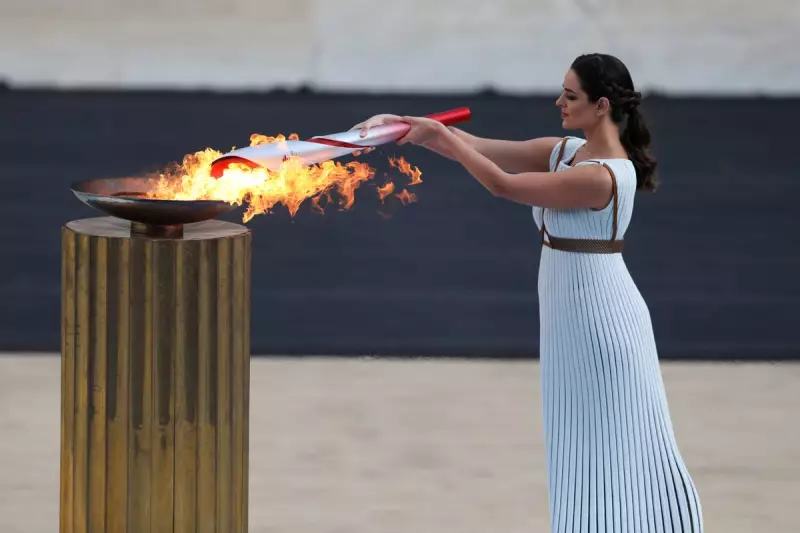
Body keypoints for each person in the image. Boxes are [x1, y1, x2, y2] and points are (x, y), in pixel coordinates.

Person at [350, 53, 703, 533]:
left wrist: (436, 133)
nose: (559, 101)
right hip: (569, 318)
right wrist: (410, 128)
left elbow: (502, 185)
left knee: (610, 446)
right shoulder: (566, 152)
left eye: (570, 95)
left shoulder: (604, 176)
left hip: (603, 325)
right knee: (574, 445)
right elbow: (478, 147)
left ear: (601, 106)